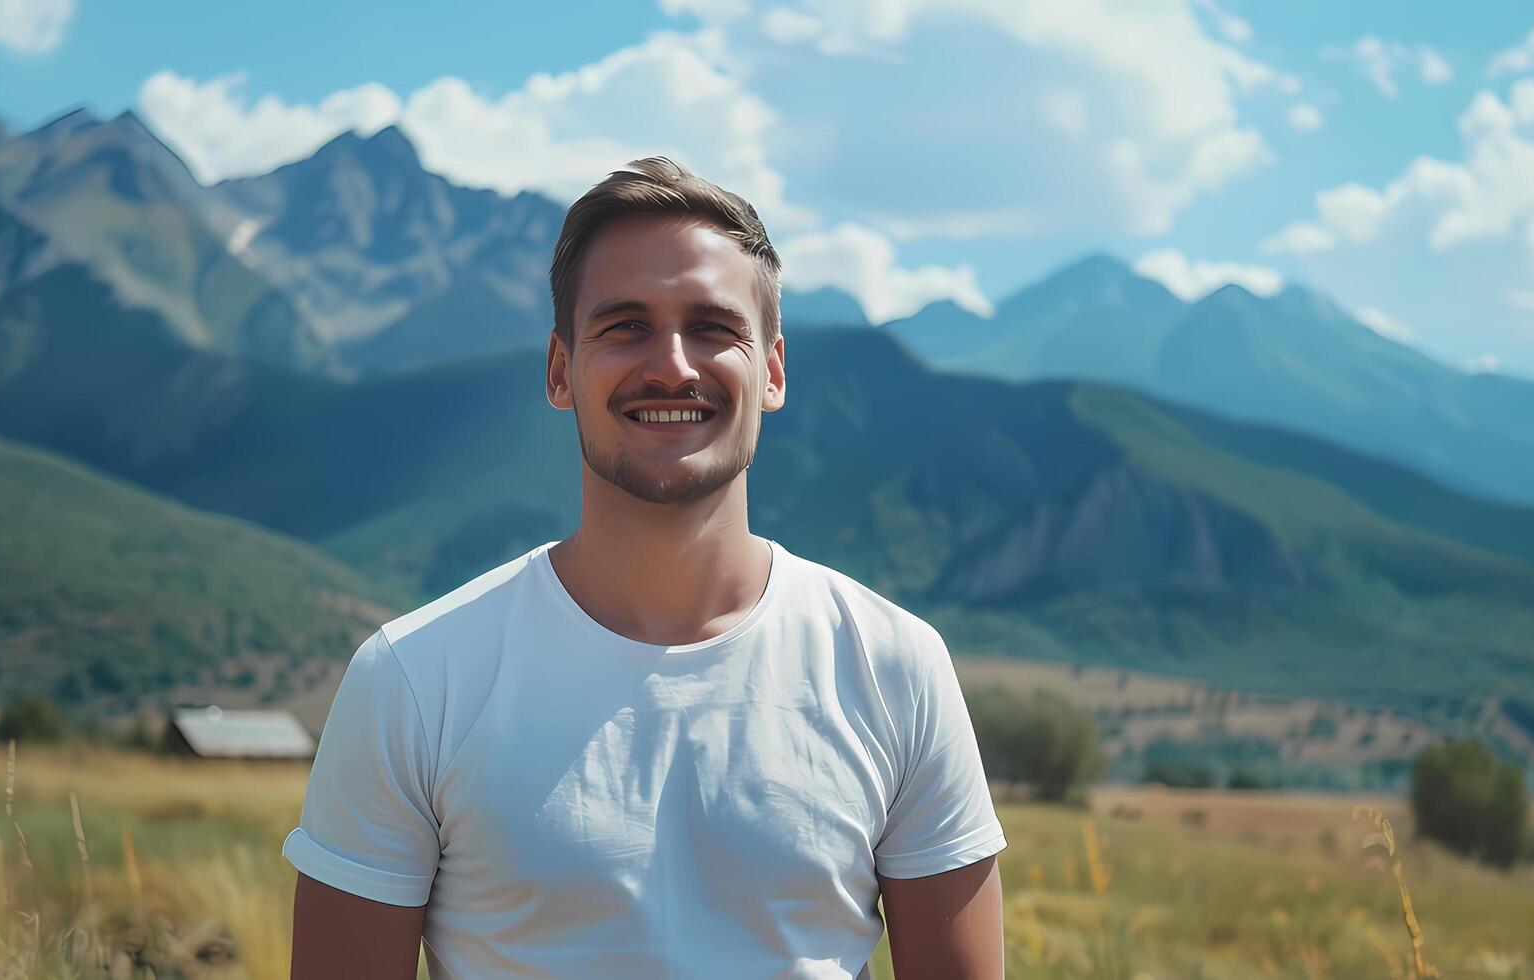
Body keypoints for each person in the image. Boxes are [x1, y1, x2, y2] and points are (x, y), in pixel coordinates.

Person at [283, 157, 1006, 979]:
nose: (672, 365)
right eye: (625, 326)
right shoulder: (414, 679)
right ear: (561, 371)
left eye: (712, 327)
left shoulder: (894, 668)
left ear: (771, 370)